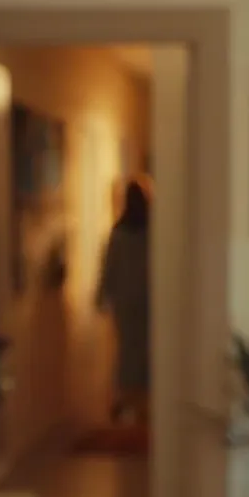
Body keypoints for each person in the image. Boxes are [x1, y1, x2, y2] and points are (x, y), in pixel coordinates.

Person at [96, 179, 151, 423]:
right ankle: (143, 403)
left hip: (125, 300)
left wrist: (102, 296)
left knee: (128, 349)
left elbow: (109, 267)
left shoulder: (118, 233)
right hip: (147, 298)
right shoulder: (151, 232)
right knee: (146, 348)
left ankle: (127, 400)